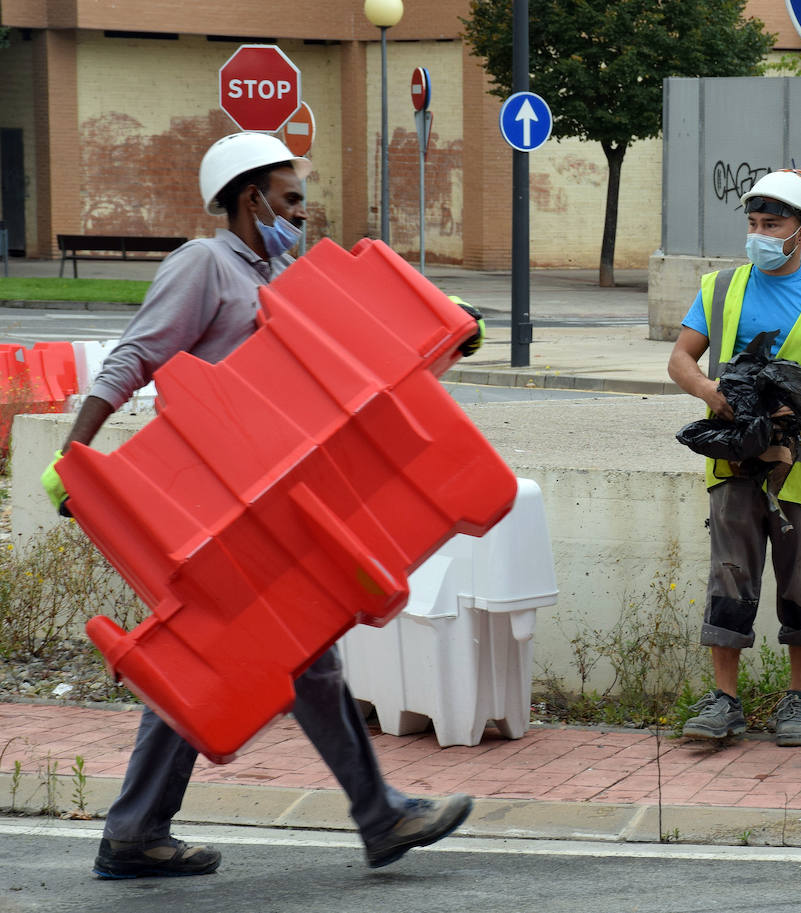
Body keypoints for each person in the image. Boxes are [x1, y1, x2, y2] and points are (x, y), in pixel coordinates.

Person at [40, 132, 483, 878]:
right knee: (290, 651)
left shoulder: (280, 271)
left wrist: (440, 327)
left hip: (271, 494)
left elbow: (346, 348)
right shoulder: (205, 264)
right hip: (214, 495)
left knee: (216, 653)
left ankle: (136, 830)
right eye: (290, 199)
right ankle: (378, 815)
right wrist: (73, 456)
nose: (300, 214)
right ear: (251, 198)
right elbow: (135, 354)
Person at [666, 169, 801, 747]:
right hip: (735, 464)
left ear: (800, 232)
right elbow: (681, 359)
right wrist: (711, 393)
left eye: (772, 224)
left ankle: (798, 701)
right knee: (729, 579)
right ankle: (724, 701)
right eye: (753, 224)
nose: (759, 235)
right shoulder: (721, 288)